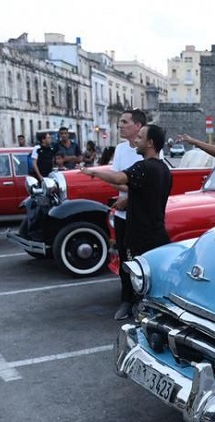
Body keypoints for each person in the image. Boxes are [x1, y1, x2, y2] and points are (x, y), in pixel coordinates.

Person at [82, 123, 172, 320]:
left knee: (142, 282)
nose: (136, 141)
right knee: (153, 282)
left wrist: (93, 172)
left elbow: (118, 177)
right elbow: (120, 182)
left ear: (150, 143)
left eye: (140, 137)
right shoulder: (163, 168)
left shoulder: (144, 167)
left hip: (142, 237)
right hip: (156, 233)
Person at [106, 109, 146, 320]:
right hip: (122, 215)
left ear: (138, 126)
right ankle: (126, 299)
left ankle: (144, 300)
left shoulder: (149, 149)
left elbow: (151, 180)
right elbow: (114, 178)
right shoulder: (121, 149)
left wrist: (129, 198)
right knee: (123, 258)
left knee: (142, 258)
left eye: (125, 122)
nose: (120, 125)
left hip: (141, 215)